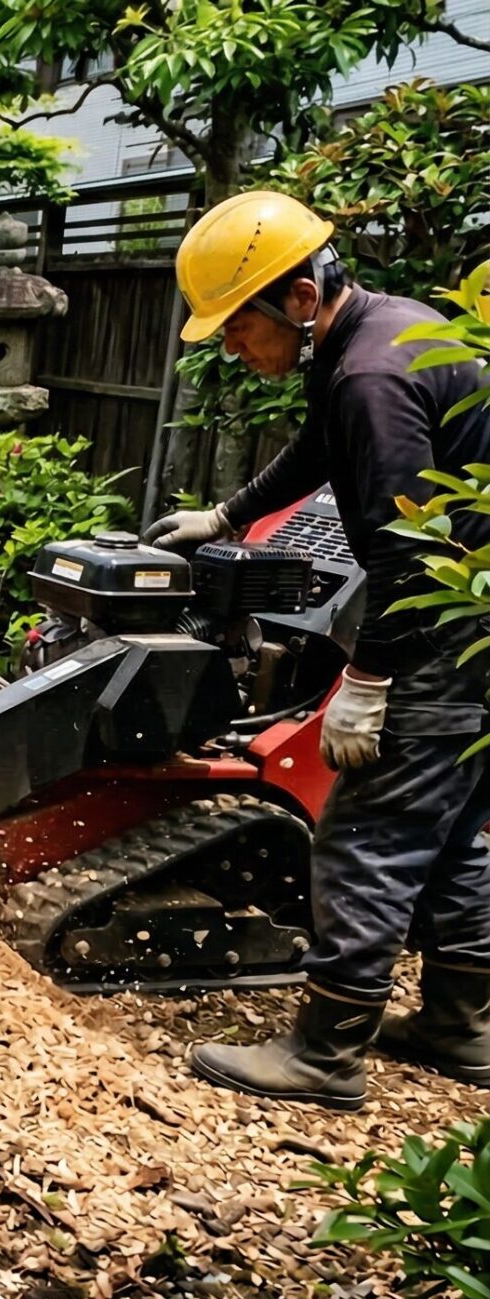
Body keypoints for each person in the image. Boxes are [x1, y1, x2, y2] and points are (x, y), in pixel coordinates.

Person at [145, 190, 490, 1111]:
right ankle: (461, 1028)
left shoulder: (371, 376)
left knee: (369, 832)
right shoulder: (379, 336)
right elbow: (319, 449)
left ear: (299, 299)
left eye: (237, 327)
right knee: (454, 829)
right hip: (476, 620)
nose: (230, 347)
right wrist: (228, 515)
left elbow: (411, 554)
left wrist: (368, 678)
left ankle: (324, 1054)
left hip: (446, 628)